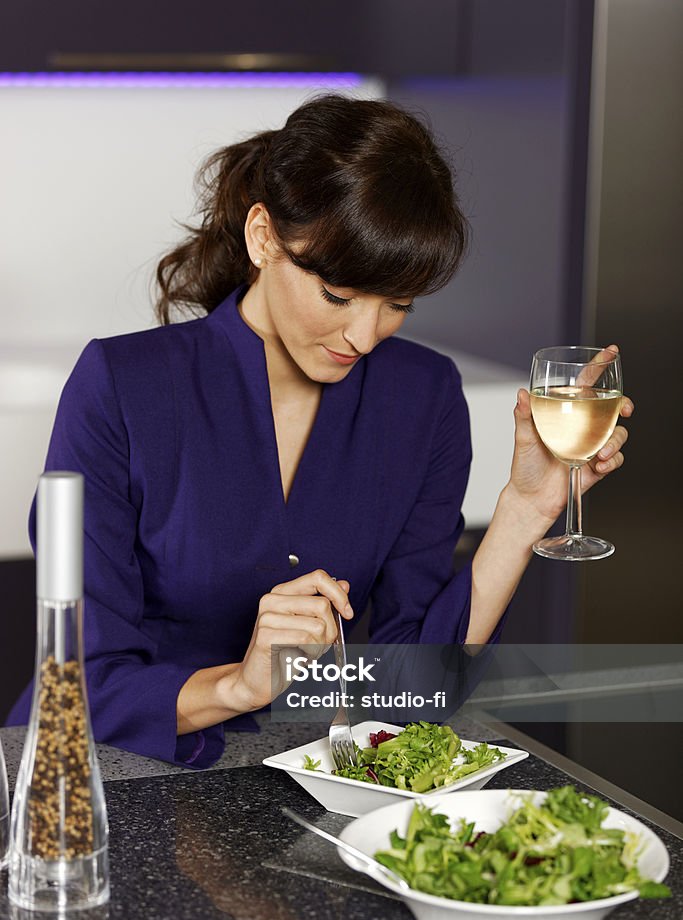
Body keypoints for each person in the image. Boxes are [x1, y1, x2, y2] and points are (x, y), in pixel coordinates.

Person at [6, 94, 632, 767]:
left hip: (300, 774)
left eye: (396, 304)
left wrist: (524, 510)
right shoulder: (121, 385)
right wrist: (239, 686)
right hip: (97, 777)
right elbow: (77, 683)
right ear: (263, 238)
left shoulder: (422, 397)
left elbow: (415, 689)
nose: (364, 336)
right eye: (337, 296)